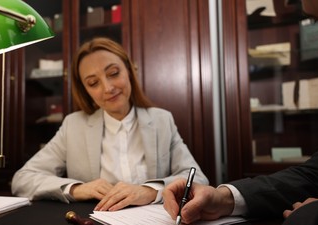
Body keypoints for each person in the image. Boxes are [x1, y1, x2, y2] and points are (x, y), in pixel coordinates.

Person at [163, 2, 318, 225]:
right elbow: (314, 175)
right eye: (317, 23)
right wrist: (224, 198)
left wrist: (312, 217)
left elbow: (191, 173)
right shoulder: (73, 125)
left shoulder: (161, 119)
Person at [11, 37, 208, 211]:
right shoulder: (73, 126)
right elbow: (22, 180)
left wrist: (150, 190)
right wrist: (78, 188)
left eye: (113, 73)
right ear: (85, 90)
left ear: (130, 71)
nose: (108, 88)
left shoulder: (162, 120)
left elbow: (197, 178)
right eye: (93, 83)